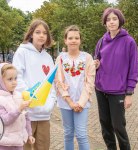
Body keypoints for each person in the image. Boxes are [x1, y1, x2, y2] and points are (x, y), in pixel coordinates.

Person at [94, 8, 138, 150]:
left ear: (120, 20)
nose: (111, 22)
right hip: (101, 89)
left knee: (118, 126)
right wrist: (95, 64)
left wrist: (129, 94)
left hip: (118, 91)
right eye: (108, 19)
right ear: (105, 22)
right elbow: (97, 60)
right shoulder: (101, 41)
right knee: (105, 125)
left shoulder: (129, 42)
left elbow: (133, 69)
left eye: (114, 18)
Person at [13, 19, 56, 150]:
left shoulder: (48, 58)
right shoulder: (22, 52)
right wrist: (30, 98)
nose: (41, 35)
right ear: (31, 34)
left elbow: (51, 82)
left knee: (43, 146)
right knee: (26, 146)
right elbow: (17, 78)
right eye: (38, 32)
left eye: (44, 33)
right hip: (27, 112)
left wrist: (51, 102)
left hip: (44, 113)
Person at [55, 25, 95, 150]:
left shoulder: (87, 58)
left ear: (80, 40)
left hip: (82, 103)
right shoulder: (60, 58)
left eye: (76, 38)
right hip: (65, 102)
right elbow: (58, 82)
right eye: (70, 38)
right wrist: (70, 102)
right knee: (68, 133)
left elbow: (90, 82)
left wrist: (81, 103)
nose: (73, 40)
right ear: (65, 40)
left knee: (81, 134)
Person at [0, 63, 35, 150]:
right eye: (10, 79)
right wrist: (19, 109)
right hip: (4, 144)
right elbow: (4, 121)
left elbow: (26, 118)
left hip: (19, 142)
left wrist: (29, 134)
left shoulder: (19, 96)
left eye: (15, 78)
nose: (14, 82)